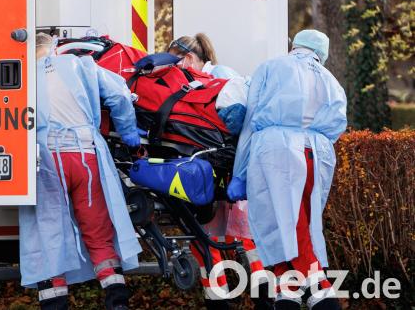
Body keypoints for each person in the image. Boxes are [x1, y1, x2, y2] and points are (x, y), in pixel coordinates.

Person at [19, 33, 143, 310]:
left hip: (46, 162)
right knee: (97, 229)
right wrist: (128, 130)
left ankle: (55, 303)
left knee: (49, 233)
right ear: (54, 49)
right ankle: (117, 300)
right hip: (85, 157)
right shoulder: (81, 65)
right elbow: (119, 94)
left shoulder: (21, 76)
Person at [228, 30, 347, 310]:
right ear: (322, 53)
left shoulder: (272, 67)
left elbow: (250, 120)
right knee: (301, 221)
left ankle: (320, 289)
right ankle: (288, 292)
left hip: (275, 150)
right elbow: (336, 125)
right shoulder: (331, 80)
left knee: (282, 225)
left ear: (295, 45)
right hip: (317, 154)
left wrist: (240, 172)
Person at [167, 34, 268, 310]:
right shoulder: (214, 77)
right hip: (223, 166)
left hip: (228, 167)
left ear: (188, 59)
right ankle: (228, 298)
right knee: (216, 234)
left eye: (175, 65)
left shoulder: (217, 77)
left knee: (238, 236)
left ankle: (253, 299)